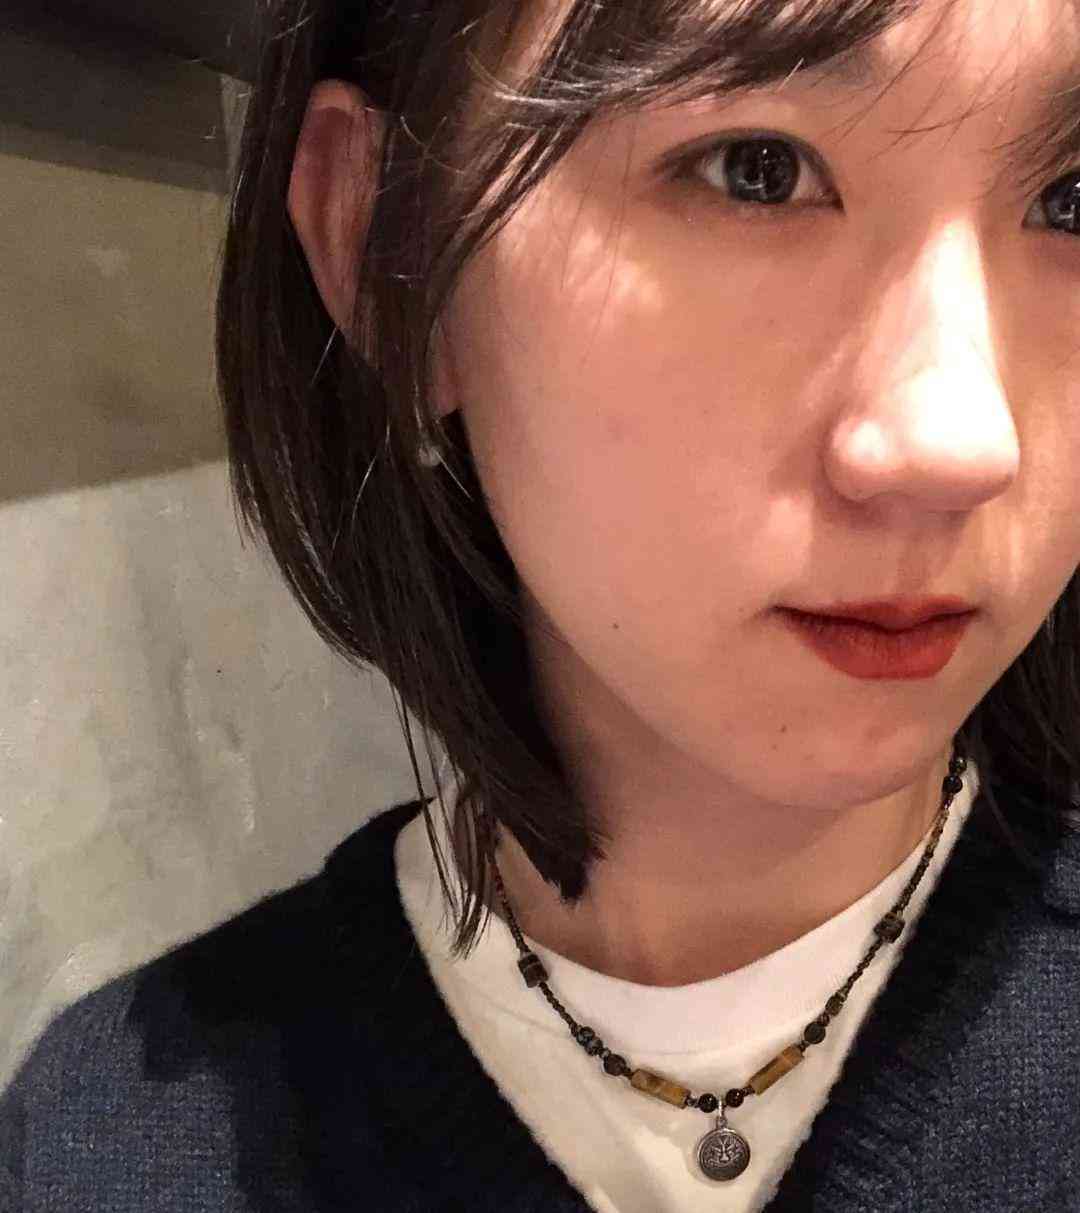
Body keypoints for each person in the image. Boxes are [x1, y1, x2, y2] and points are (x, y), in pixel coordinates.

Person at [4, 0, 1080, 1208]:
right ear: (383, 243)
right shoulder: (107, 1153)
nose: (960, 441)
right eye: (757, 170)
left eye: (1072, 200)